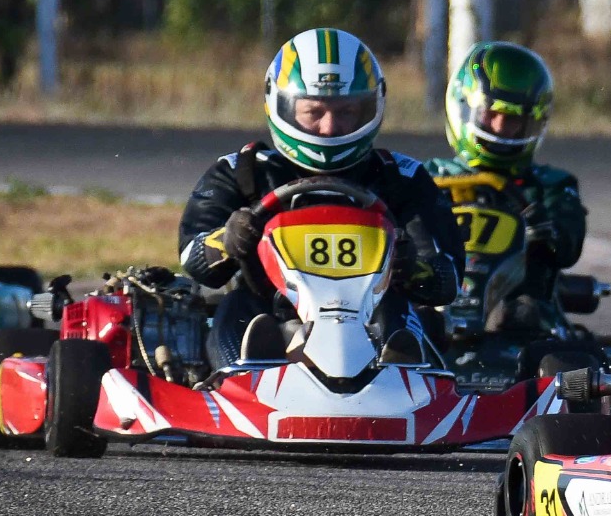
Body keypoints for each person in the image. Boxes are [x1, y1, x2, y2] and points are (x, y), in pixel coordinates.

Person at [178, 29, 463, 368]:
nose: (330, 128)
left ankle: (399, 374)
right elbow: (192, 256)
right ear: (282, 106)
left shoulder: (401, 178)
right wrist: (228, 239)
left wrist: (412, 268)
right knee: (235, 306)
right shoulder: (243, 172)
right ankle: (243, 379)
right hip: (271, 313)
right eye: (314, 112)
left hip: (371, 318)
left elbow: (448, 277)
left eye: (346, 112)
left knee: (402, 310)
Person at [426, 42, 589, 344]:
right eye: (491, 114)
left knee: (522, 314)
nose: (501, 129)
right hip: (434, 301)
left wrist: (546, 228)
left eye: (513, 119)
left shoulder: (550, 185)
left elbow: (569, 246)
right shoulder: (429, 177)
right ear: (464, 108)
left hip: (524, 315)